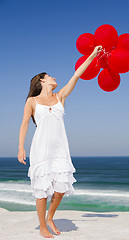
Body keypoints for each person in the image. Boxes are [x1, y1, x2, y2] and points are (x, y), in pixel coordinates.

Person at [17, 45, 103, 238]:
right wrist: (21, 147)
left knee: (60, 188)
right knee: (41, 191)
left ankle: (50, 217)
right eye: (50, 76)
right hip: (41, 149)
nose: (54, 78)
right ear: (42, 80)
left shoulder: (60, 97)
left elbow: (77, 75)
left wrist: (92, 55)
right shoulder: (32, 101)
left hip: (60, 149)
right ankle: (42, 226)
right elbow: (24, 125)